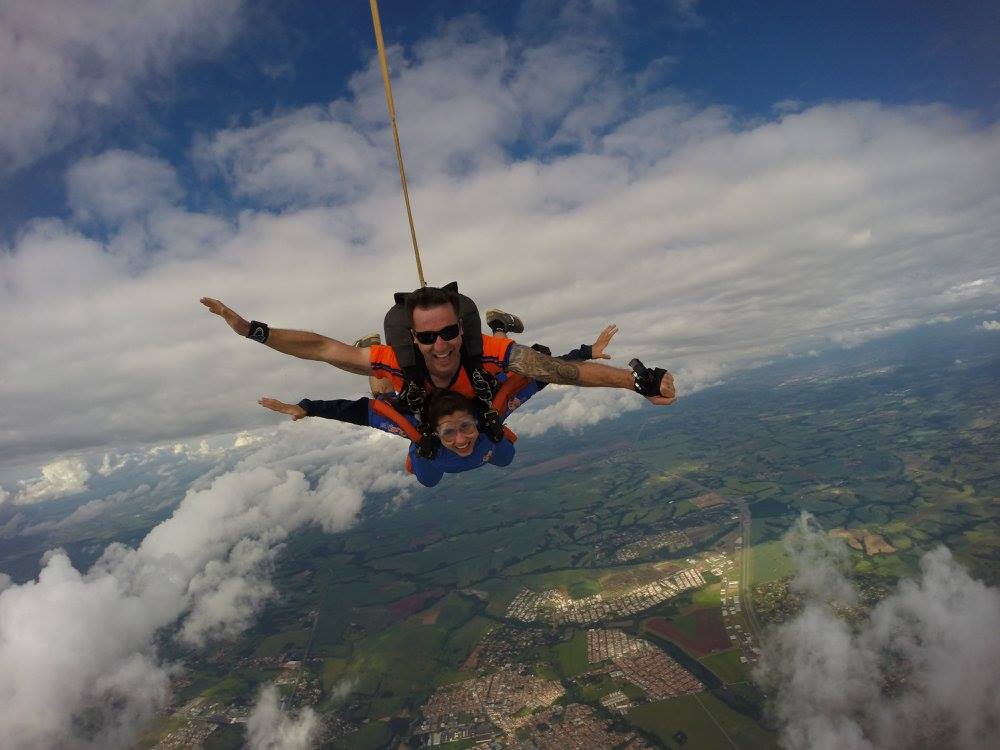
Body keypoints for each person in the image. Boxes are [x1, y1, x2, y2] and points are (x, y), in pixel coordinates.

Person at [258, 325, 619, 487]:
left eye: (460, 430)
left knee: (387, 400)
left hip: (435, 409)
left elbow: (548, 373)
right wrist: (307, 407)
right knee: (390, 396)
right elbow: (542, 380)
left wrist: (587, 354)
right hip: (435, 404)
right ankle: (374, 351)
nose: (462, 441)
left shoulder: (425, 438)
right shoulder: (493, 415)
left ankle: (497, 332)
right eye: (455, 433)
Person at [200, 286, 675, 404]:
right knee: (383, 384)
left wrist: (636, 381)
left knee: (518, 362)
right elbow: (322, 347)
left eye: (449, 332)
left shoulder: (481, 350)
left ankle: (502, 326)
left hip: (486, 365)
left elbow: (561, 373)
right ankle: (502, 327)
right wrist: (251, 330)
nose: (441, 344)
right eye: (427, 337)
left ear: (462, 331)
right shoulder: (398, 361)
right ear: (412, 338)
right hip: (413, 380)